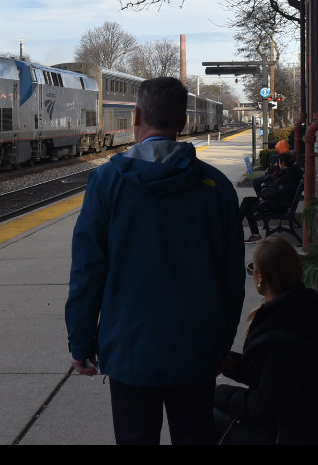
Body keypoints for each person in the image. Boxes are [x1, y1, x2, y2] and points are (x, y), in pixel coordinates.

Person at [65, 76, 245, 445]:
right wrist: (219, 346)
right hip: (196, 350)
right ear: (183, 122)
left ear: (137, 115)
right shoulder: (216, 187)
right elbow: (232, 280)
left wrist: (81, 343)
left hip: (131, 350)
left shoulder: (107, 182)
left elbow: (88, 270)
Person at [214, 236, 318, 444]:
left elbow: (264, 405)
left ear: (260, 277)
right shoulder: (304, 308)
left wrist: (217, 392)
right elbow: (275, 380)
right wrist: (231, 364)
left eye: (253, 269)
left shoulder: (286, 329)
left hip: (297, 435)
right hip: (313, 428)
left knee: (202, 413)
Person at [240, 152, 300, 243]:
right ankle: (245, 230)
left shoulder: (288, 177)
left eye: (279, 161)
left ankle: (236, 227)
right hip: (276, 201)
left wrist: (264, 197)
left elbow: (279, 193)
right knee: (247, 200)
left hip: (278, 204)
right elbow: (278, 191)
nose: (278, 163)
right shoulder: (289, 173)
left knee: (247, 205)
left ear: (283, 163)